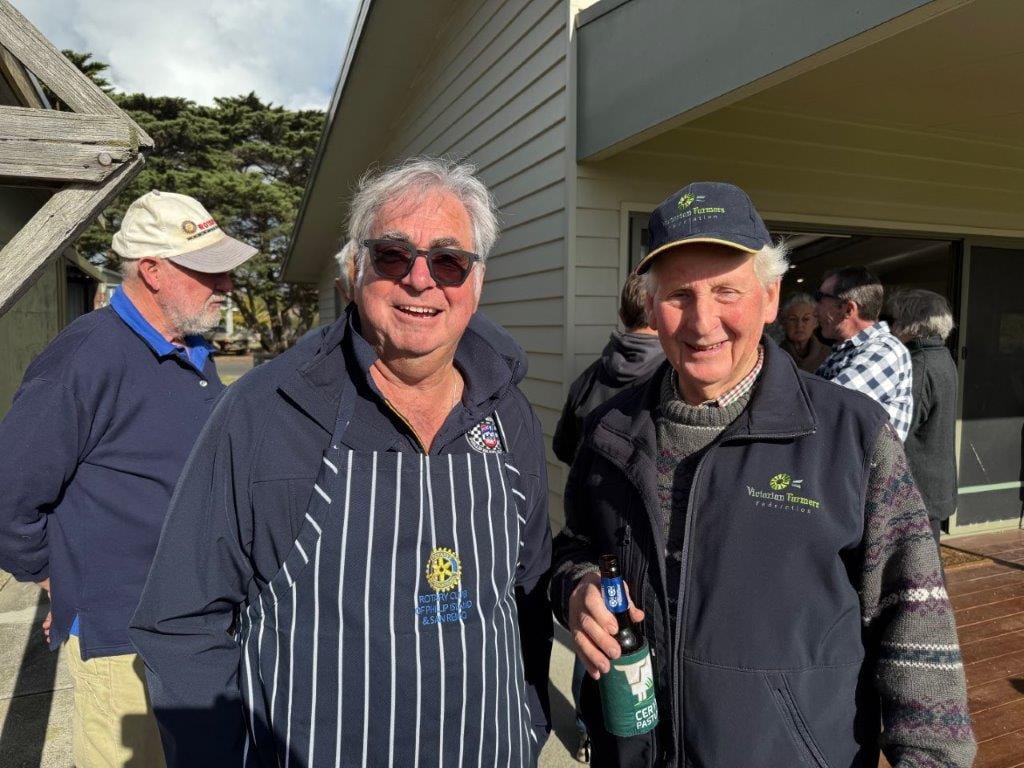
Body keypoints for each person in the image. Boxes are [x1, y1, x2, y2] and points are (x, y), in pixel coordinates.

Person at [130, 157, 553, 767]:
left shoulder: (509, 413)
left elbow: (527, 594)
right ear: (355, 269)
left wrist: (527, 728)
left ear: (476, 281)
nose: (421, 280)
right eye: (392, 255)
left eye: (449, 261)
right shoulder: (268, 410)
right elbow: (181, 621)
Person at [550, 181, 975, 768]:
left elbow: (915, 621)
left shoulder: (851, 435)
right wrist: (575, 591)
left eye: (727, 290)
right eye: (678, 295)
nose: (702, 322)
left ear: (770, 298)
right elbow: (575, 546)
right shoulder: (609, 432)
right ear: (650, 307)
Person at [0, 190, 257, 767]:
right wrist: (54, 577)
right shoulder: (87, 355)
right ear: (152, 270)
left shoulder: (192, 352)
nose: (228, 286)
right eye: (210, 272)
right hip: (123, 634)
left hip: (191, 622)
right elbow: (9, 493)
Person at [553, 272, 665, 763]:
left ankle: (587, 726)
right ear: (660, 313)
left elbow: (561, 444)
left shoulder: (592, 375)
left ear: (622, 315)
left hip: (595, 528)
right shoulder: (672, 376)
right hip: (644, 537)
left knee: (595, 630)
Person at [887, 288, 958, 545]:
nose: (892, 327)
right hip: (932, 485)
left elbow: (899, 432)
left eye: (896, 320)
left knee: (919, 571)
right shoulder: (942, 356)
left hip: (918, 490)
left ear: (911, 324)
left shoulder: (919, 365)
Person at [814, 266, 914, 440]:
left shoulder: (885, 351)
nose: (815, 312)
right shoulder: (846, 350)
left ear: (848, 309)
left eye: (820, 299)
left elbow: (825, 406)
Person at [778, 291, 830, 372]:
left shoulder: (827, 354)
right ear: (784, 323)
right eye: (793, 319)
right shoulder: (776, 355)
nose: (799, 325)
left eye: (806, 319)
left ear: (816, 322)